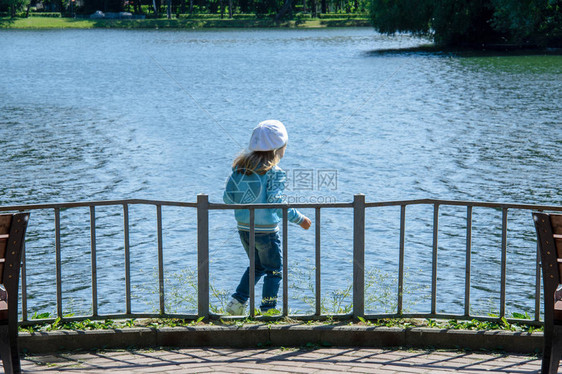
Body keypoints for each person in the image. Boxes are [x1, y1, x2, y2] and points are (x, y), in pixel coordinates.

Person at [223, 119, 312, 315]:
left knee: (256, 266)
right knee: (274, 270)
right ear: (280, 148)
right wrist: (300, 220)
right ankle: (268, 310)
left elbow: (227, 199)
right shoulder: (274, 173)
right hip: (266, 232)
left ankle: (236, 304)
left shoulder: (239, 170)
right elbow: (276, 203)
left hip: (244, 228)